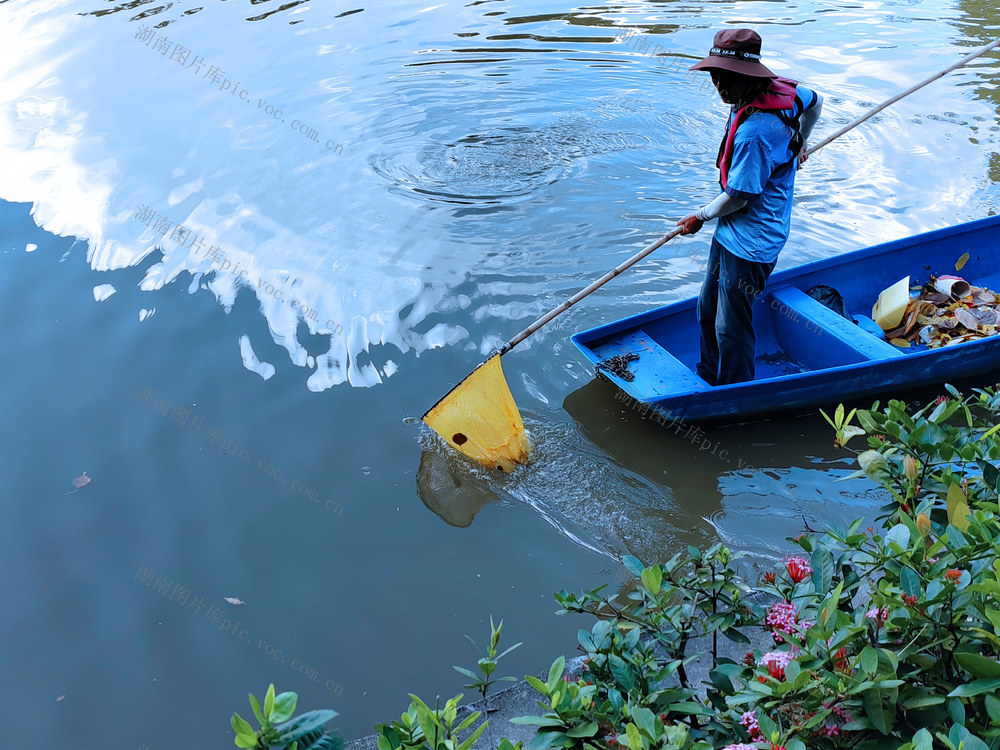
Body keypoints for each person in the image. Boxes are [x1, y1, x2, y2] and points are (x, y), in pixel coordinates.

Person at [676, 29, 823, 386]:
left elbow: (739, 197)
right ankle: (708, 375)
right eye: (716, 77)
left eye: (729, 78)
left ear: (749, 75)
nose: (721, 87)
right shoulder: (782, 95)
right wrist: (802, 140)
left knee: (731, 327)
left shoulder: (754, 134)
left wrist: (699, 217)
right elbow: (816, 101)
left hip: (752, 242)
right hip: (730, 231)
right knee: (707, 308)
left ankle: (733, 390)